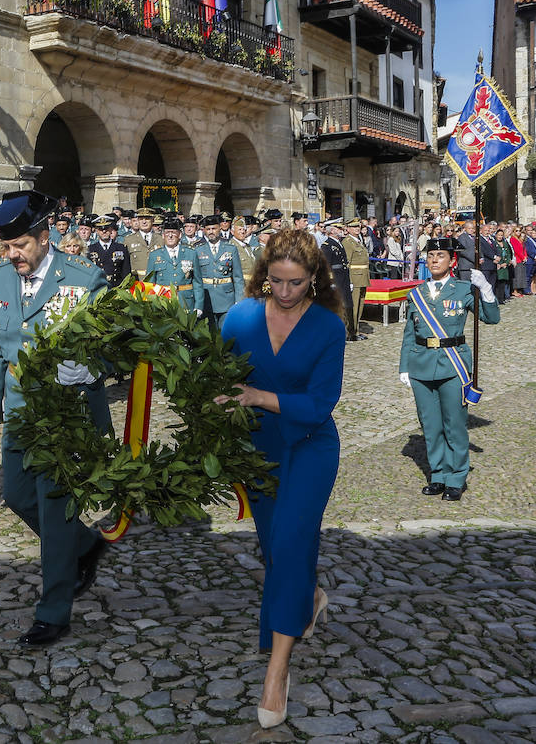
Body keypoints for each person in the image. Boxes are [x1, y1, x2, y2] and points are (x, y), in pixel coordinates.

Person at [216, 229, 345, 728]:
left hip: (310, 446)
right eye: (276, 282)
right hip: (257, 451)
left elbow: (318, 404)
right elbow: (218, 376)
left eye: (295, 283)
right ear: (263, 276)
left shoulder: (329, 327)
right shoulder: (240, 316)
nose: (285, 293)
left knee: (290, 546)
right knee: (276, 549)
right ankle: (309, 598)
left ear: (314, 279)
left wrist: (256, 396)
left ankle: (277, 668)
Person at [0, 190, 109, 647]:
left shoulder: (84, 279)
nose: (12, 256)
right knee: (16, 496)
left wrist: (93, 367)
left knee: (54, 511)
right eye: (4, 248)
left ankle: (54, 610)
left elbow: (115, 343)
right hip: (21, 410)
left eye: (20, 247)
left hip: (67, 415)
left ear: (45, 237)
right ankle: (87, 546)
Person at [398, 237, 500, 501]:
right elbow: (409, 332)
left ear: (452, 261)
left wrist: (485, 290)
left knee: (454, 424)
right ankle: (438, 475)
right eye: (431, 256)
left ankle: (456, 477)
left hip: (453, 365)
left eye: (440, 255)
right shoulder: (416, 293)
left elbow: (491, 318)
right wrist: (404, 365)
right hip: (421, 365)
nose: (434, 260)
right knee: (430, 426)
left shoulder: (463, 289)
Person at [195, 215, 245, 329]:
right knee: (209, 337)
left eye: (214, 228)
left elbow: (238, 278)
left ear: (219, 228)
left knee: (226, 334)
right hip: (206, 299)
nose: (211, 232)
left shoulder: (230, 248)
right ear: (204, 231)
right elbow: (196, 279)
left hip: (227, 299)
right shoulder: (198, 250)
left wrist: (239, 300)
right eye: (208, 229)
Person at [145, 217, 200, 312]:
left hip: (186, 302)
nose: (170, 236)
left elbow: (197, 282)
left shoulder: (191, 253)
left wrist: (198, 305)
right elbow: (150, 283)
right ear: (163, 235)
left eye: (173, 232)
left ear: (180, 235)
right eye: (167, 233)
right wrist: (152, 306)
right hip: (163, 302)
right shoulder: (155, 255)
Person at [340, 223, 370, 340]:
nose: (357, 229)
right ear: (348, 229)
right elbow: (346, 263)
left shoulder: (358, 240)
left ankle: (355, 331)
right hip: (354, 277)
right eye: (354, 227)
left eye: (358, 226)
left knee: (360, 305)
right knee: (353, 306)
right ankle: (349, 332)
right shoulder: (347, 242)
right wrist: (349, 281)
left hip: (362, 277)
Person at [86, 215, 131, 288]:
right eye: (100, 229)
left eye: (106, 228)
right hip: (98, 288)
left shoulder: (121, 248)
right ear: (96, 231)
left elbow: (126, 272)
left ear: (111, 230)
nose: (104, 231)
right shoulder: (90, 250)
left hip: (117, 288)